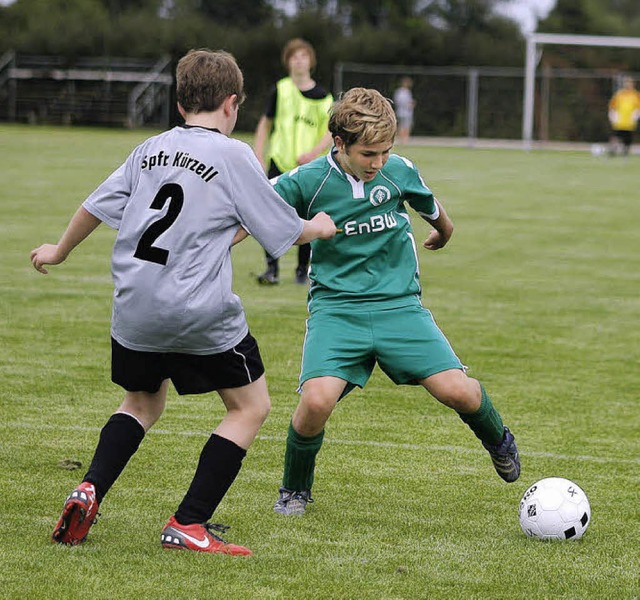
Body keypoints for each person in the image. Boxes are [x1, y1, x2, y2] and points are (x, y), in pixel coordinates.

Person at [30, 48, 336, 554]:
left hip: (133, 306)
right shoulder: (235, 155)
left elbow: (94, 204)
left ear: (179, 104)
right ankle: (189, 523)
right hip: (196, 310)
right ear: (232, 104)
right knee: (250, 406)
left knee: (142, 402)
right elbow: (282, 230)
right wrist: (319, 227)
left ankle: (89, 488)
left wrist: (59, 251)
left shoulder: (149, 149)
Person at [267, 87, 520, 517]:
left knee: (458, 391)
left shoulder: (398, 171)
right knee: (315, 401)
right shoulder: (307, 180)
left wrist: (443, 233)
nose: (378, 162)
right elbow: (256, 208)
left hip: (399, 307)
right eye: (369, 154)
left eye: (385, 151)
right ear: (339, 143)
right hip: (337, 310)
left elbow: (435, 212)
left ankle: (498, 439)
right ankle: (295, 488)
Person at [254, 38, 334, 285]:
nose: (299, 60)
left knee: (308, 218)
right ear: (287, 62)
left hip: (309, 167)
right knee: (269, 216)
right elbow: (265, 123)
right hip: (279, 162)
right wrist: (257, 153)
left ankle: (302, 270)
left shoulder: (324, 97)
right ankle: (272, 269)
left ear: (311, 61)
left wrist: (313, 153)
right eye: (293, 56)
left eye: (303, 56)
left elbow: (330, 131)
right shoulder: (280, 89)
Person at [608, 76, 640, 157]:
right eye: (626, 83)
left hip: (629, 121)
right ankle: (612, 150)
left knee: (628, 137)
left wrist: (636, 116)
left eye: (630, 83)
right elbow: (612, 106)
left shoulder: (636, 95)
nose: (628, 85)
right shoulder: (619, 94)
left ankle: (625, 152)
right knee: (616, 135)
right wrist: (612, 115)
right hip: (619, 120)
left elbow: (638, 107)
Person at [393, 76, 416, 145]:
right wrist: (411, 104)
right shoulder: (405, 92)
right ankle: (404, 140)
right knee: (405, 126)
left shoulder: (398, 91)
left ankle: (401, 140)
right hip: (406, 113)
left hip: (400, 112)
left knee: (401, 126)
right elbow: (404, 102)